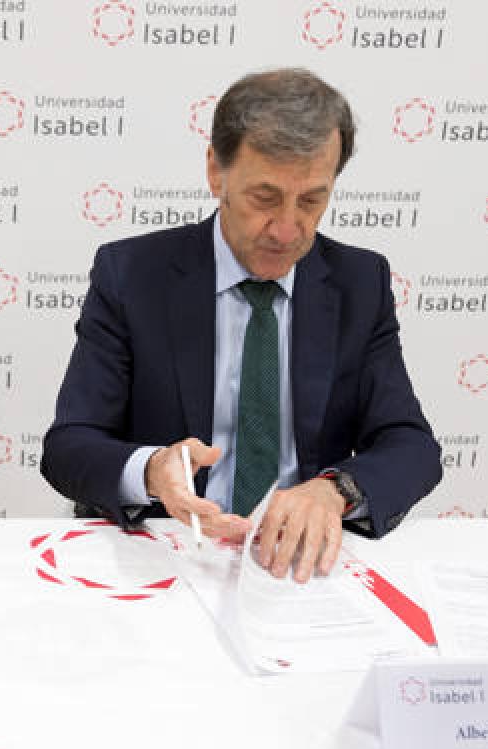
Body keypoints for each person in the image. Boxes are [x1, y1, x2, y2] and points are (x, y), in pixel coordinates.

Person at [41, 68, 441, 583]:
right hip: (167, 557)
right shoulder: (132, 274)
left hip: (298, 569)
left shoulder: (360, 282)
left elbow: (411, 444)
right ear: (216, 171)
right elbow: (70, 445)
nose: (287, 229)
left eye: (311, 200)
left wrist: (334, 490)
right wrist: (152, 470)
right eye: (265, 198)